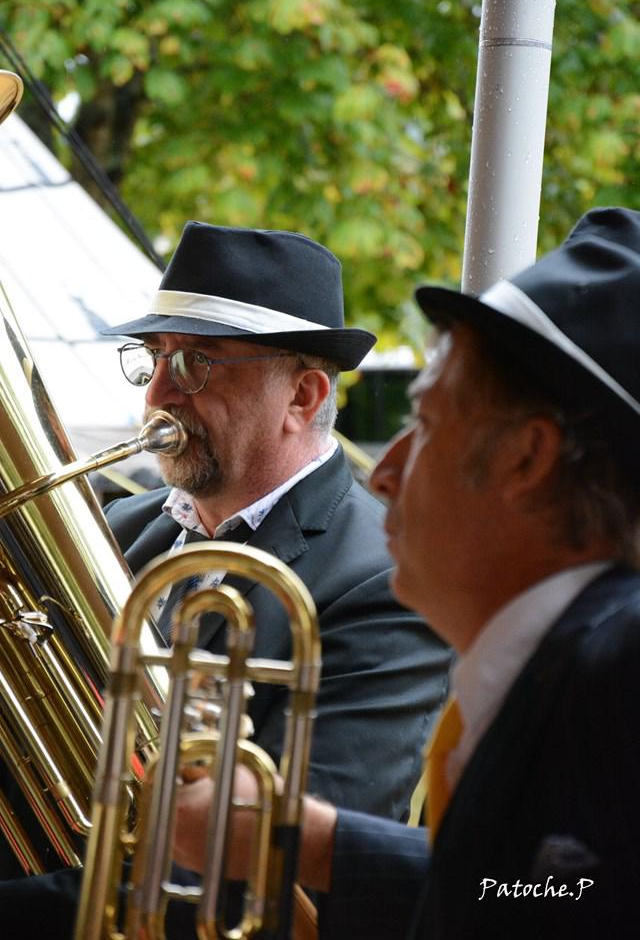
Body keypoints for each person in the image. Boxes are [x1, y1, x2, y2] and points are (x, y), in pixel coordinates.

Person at [173, 205, 640, 940]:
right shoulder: (575, 655)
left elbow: (577, 903)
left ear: (527, 457)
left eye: (425, 423)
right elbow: (538, 889)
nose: (383, 472)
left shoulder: (619, 658)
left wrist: (307, 840)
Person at [0, 222, 450, 936]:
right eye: (154, 359)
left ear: (302, 396)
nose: (159, 396)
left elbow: (272, 870)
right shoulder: (117, 529)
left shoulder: (385, 588)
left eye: (200, 363)